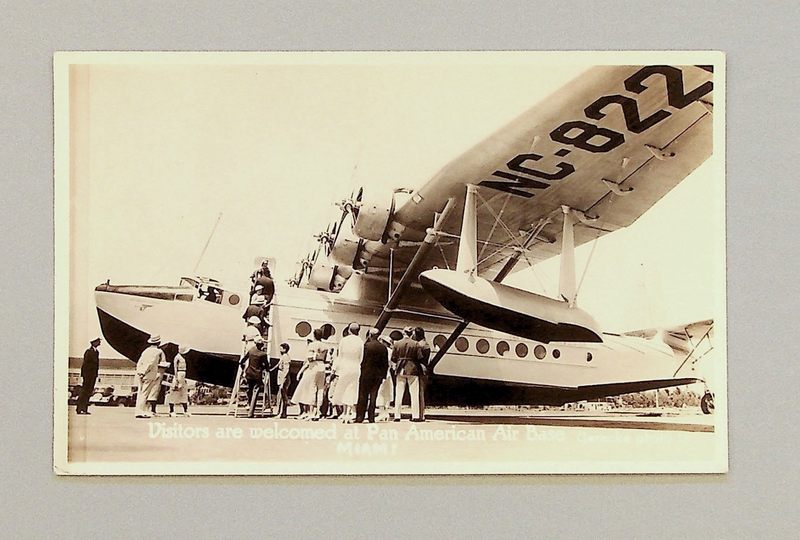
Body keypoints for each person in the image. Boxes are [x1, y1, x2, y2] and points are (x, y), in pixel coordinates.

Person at [291, 328, 328, 420]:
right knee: (320, 389)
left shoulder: (312, 345)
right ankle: (318, 411)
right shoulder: (325, 346)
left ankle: (311, 412)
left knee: (312, 388)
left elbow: (310, 358)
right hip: (322, 366)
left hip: (314, 366)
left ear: (314, 335)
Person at [331, 323, 364, 422]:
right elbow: (361, 358)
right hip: (355, 367)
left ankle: (344, 413)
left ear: (349, 330)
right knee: (352, 389)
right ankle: (349, 412)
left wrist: (335, 368)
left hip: (344, 366)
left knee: (343, 388)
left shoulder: (343, 340)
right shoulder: (360, 341)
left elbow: (339, 356)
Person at [355, 328, 389, 423]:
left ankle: (360, 417)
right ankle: (371, 417)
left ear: (370, 335)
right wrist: (383, 375)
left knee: (362, 395)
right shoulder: (383, 347)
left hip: (366, 374)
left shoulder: (366, 346)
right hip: (378, 375)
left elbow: (362, 361)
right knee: (374, 396)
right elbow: (385, 363)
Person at [392, 326, 424, 422]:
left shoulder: (397, 343)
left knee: (398, 393)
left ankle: (397, 415)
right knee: (414, 393)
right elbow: (419, 357)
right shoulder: (416, 344)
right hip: (412, 369)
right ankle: (415, 415)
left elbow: (393, 357)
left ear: (403, 332)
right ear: (411, 334)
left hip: (400, 369)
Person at [135, 334, 165, 418]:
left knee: (140, 393)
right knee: (145, 393)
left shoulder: (146, 351)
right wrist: (145, 371)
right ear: (158, 342)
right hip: (149, 374)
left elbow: (140, 361)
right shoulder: (158, 352)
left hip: (141, 373)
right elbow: (151, 363)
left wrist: (140, 372)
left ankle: (139, 410)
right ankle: (141, 411)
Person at [241, 335, 269, 417]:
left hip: (249, 373)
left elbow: (242, 361)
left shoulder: (251, 351)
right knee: (255, 392)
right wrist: (266, 368)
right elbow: (266, 365)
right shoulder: (263, 354)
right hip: (257, 375)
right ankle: (251, 412)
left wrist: (243, 369)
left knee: (249, 390)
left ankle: (249, 404)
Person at [76, 337, 101, 415]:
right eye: (98, 341)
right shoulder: (89, 352)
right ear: (94, 343)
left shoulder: (96, 352)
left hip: (92, 375)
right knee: (85, 392)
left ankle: (84, 408)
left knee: (89, 392)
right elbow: (85, 364)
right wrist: (84, 375)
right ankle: (80, 408)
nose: (99, 343)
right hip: (88, 375)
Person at [167, 344, 191, 417]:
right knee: (175, 393)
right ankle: (171, 411)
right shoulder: (177, 357)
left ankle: (185, 411)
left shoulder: (183, 358)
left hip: (183, 374)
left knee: (184, 393)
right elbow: (175, 368)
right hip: (179, 374)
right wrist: (176, 378)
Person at [414, 326, 431, 421]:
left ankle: (420, 415)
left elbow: (418, 357)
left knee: (419, 393)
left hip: (419, 369)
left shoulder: (420, 345)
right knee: (421, 393)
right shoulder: (426, 344)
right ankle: (421, 414)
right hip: (424, 368)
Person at [275, 343, 292, 418]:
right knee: (280, 396)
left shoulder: (286, 357)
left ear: (284, 349)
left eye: (281, 348)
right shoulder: (283, 357)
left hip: (283, 378)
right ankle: (281, 412)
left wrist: (283, 380)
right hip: (281, 377)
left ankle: (282, 413)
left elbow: (286, 369)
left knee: (282, 396)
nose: (279, 350)